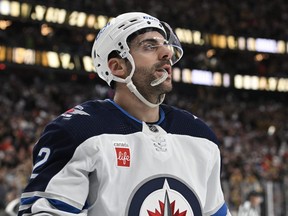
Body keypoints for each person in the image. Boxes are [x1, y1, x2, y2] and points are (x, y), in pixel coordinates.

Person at [18, 12, 231, 215]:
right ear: (118, 67)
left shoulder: (199, 135)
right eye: (149, 46)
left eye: (165, 44)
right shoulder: (77, 131)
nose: (167, 53)